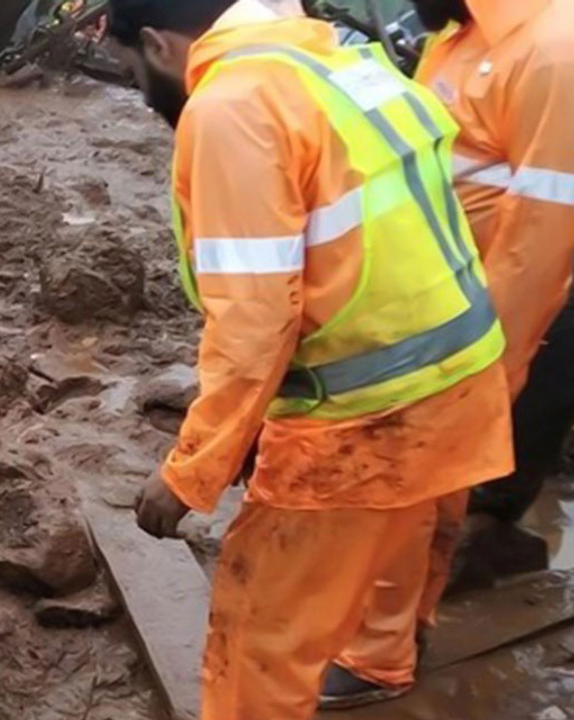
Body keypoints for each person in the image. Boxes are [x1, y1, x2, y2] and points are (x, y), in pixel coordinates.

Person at [107, 1, 515, 718]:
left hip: (359, 421)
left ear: (155, 45)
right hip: (458, 379)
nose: (142, 97)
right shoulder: (336, 59)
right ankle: (380, 660)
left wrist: (192, 470)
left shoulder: (230, 105)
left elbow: (257, 319)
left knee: (259, 635)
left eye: (131, 73)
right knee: (402, 538)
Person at [326, 0, 574, 707]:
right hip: (440, 300)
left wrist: (490, 361)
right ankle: (398, 629)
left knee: (408, 481)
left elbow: (543, 234)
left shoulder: (554, 52)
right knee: (423, 482)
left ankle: (378, 656)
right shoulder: (460, 35)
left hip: (477, 320)